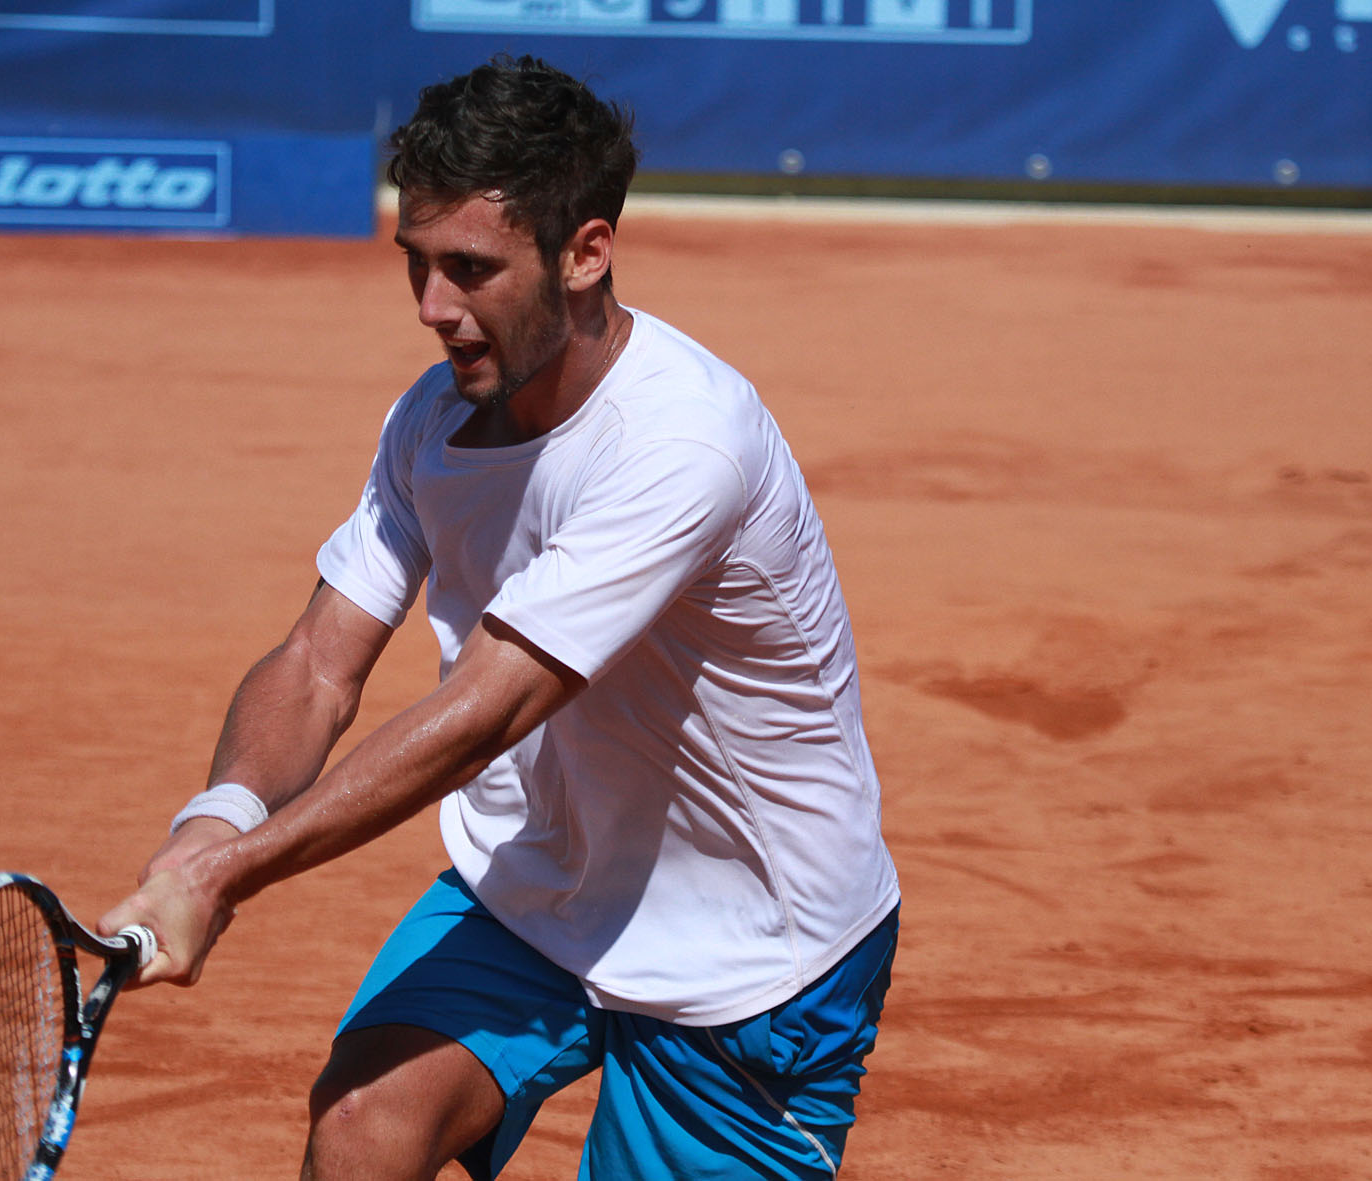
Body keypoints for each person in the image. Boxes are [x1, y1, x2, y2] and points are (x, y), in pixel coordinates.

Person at [101, 54, 900, 1181]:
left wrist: (223, 878)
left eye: (470, 270)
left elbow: (488, 706)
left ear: (585, 252)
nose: (433, 309)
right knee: (361, 1128)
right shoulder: (434, 417)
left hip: (747, 954)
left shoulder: (680, 444)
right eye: (416, 266)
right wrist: (213, 818)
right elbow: (320, 658)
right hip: (537, 882)